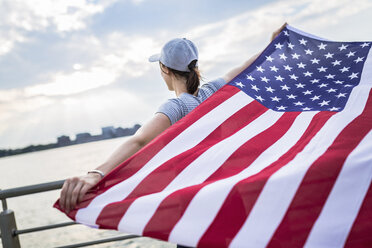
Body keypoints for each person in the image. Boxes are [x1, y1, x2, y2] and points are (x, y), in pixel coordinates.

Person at [59, 23, 286, 218]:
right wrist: (272, 45)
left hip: (195, 206)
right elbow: (244, 68)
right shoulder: (214, 92)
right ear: (194, 67)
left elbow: (139, 141)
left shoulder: (176, 108)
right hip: (229, 194)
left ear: (164, 70)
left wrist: (96, 174)